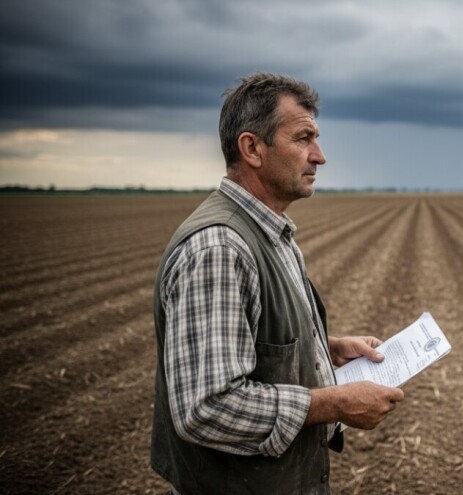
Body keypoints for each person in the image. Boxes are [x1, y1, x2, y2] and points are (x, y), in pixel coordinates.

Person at [151, 73, 405, 494]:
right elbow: (207, 408)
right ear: (252, 148)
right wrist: (334, 403)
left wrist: (326, 348)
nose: (319, 156)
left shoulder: (270, 230)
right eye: (303, 138)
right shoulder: (219, 248)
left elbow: (253, 335)